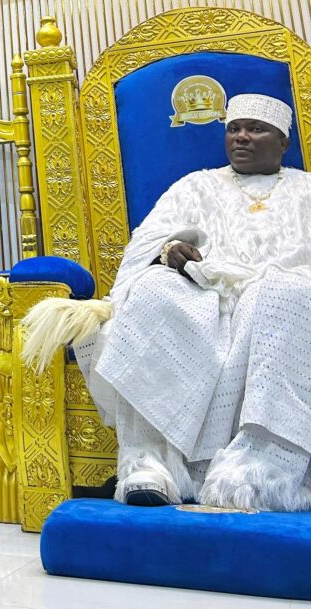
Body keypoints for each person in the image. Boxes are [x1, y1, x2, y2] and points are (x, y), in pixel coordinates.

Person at [25, 94, 311, 511]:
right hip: (205, 293)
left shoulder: (306, 189)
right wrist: (169, 252)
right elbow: (149, 242)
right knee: (153, 289)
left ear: (283, 142)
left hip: (280, 298)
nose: (242, 137)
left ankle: (258, 472)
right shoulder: (196, 185)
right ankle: (151, 465)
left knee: (284, 294)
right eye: (234, 129)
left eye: (256, 129)